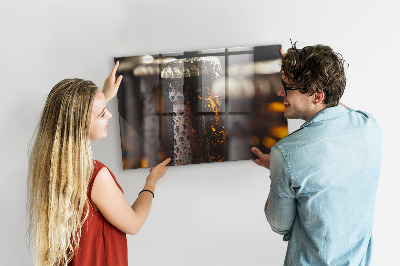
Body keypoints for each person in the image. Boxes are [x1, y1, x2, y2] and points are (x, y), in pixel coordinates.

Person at [27, 62, 171, 266]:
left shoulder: (50, 165)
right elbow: (134, 224)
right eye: (102, 113)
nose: (110, 115)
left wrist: (104, 96)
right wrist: (151, 181)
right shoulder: (95, 176)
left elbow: (76, 118)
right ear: (81, 124)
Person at [251, 43, 382, 265]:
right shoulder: (369, 125)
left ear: (317, 96)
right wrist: (298, 72)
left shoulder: (286, 154)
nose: (279, 92)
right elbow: (335, 106)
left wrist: (277, 168)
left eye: (288, 87)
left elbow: (279, 225)